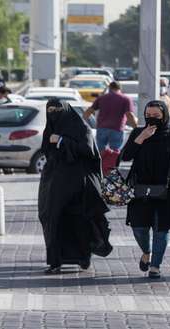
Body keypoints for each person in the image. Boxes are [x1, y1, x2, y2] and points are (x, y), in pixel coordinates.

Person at [38, 99, 112, 274]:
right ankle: (55, 261)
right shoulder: (50, 129)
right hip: (54, 184)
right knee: (52, 219)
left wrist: (63, 140)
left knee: (80, 221)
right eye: (50, 110)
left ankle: (82, 258)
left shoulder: (82, 128)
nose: (54, 113)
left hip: (79, 185)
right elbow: (47, 152)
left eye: (57, 109)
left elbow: (88, 151)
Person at [121, 100, 170, 279]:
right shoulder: (138, 133)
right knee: (139, 228)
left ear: (164, 116)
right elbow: (125, 156)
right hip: (140, 190)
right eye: (148, 116)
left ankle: (155, 266)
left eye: (156, 116)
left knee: (161, 229)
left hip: (167, 189)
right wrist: (141, 138)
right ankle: (146, 251)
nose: (152, 119)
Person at [83, 81, 137, 152]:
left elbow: (88, 111)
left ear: (110, 88)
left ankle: (101, 163)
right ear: (120, 88)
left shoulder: (102, 98)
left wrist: (83, 123)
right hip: (117, 128)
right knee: (115, 152)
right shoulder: (125, 99)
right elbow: (129, 115)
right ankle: (113, 163)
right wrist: (136, 128)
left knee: (100, 151)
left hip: (101, 128)